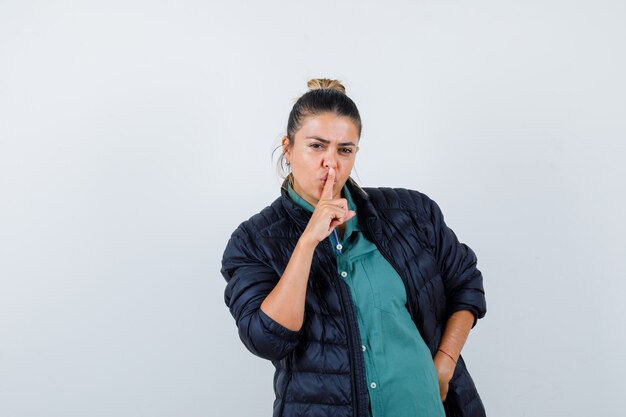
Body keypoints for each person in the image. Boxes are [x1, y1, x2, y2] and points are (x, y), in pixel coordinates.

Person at [220, 78, 487, 417]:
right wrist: (307, 241)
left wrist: (445, 365)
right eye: (317, 146)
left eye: (345, 150)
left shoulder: (412, 213)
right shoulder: (253, 241)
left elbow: (465, 283)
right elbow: (266, 339)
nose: (331, 163)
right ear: (288, 148)